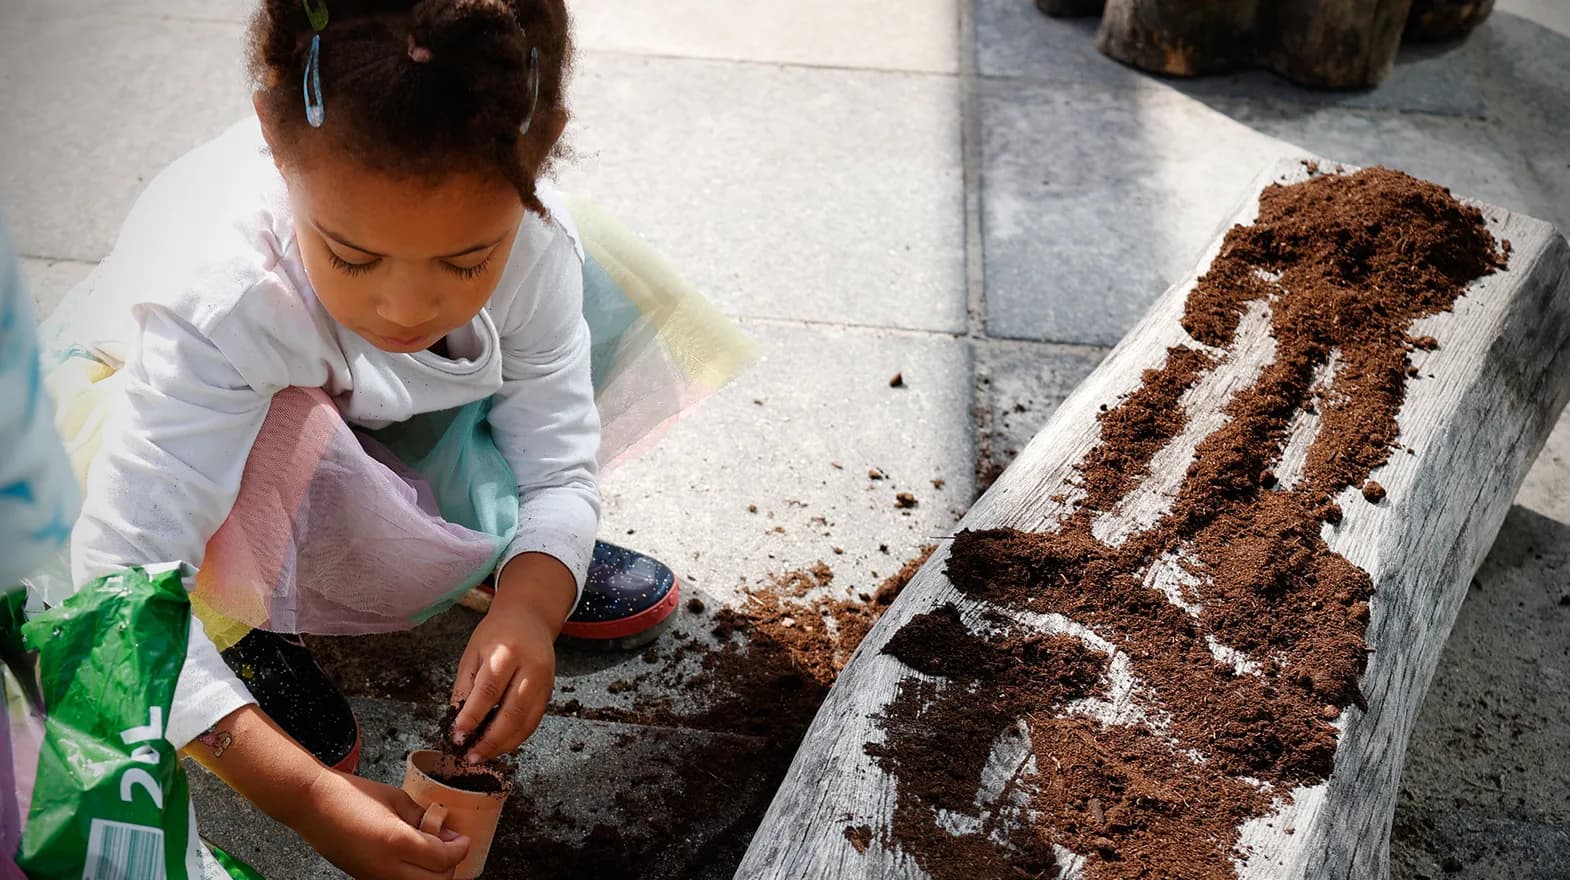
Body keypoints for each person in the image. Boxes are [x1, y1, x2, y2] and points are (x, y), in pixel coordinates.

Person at [37, 1, 749, 876]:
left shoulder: (531, 241)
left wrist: (535, 597)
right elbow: (119, 583)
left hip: (369, 404)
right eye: (352, 255)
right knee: (277, 444)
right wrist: (302, 795)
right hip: (190, 427)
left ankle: (487, 552)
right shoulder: (226, 300)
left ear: (544, 138)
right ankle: (240, 626)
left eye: (463, 261)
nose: (408, 309)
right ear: (270, 129)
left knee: (577, 279)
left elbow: (558, 456)